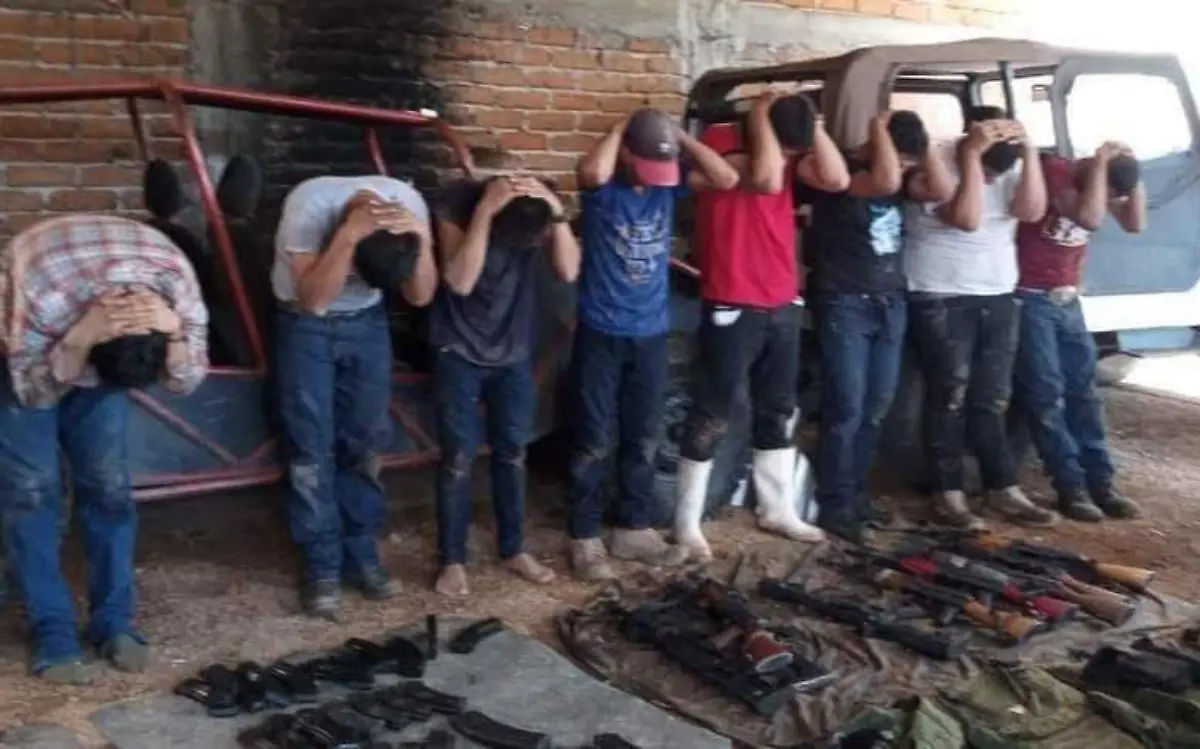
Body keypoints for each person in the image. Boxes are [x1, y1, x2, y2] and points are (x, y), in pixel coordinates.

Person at [0, 214, 209, 684]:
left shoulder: (175, 284)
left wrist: (175, 331)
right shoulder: (47, 297)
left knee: (109, 487)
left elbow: (188, 378)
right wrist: (78, 339)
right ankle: (53, 632)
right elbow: (34, 392)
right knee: (31, 491)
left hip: (105, 320)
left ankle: (114, 623)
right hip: (31, 352)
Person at [673, 91, 852, 563]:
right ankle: (687, 522)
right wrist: (758, 117)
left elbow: (836, 179)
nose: (791, 156)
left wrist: (814, 127)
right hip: (732, 294)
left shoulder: (786, 148)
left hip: (781, 296)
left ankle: (777, 509)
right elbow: (768, 179)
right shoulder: (721, 138)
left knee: (777, 407)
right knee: (713, 409)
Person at [567, 108, 738, 581]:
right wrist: (619, 129)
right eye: (647, 164)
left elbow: (725, 178)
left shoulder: (667, 186)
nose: (655, 177)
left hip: (651, 332)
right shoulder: (604, 191)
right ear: (626, 155)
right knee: (594, 437)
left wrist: (678, 137)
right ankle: (584, 536)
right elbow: (590, 171)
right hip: (601, 331)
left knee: (643, 434)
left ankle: (633, 527)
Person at [272, 175, 437, 619]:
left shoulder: (409, 205)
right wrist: (347, 238)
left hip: (367, 325)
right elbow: (313, 302)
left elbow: (421, 295)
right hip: (305, 324)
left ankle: (362, 554)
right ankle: (322, 566)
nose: (355, 279)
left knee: (365, 443)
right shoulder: (307, 208)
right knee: (310, 450)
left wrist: (422, 238)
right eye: (356, 273)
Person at [904, 106, 1059, 531]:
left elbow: (1031, 211)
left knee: (992, 398)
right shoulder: (936, 160)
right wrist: (972, 157)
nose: (992, 180)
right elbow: (966, 218)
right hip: (942, 291)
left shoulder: (1010, 161)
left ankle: (1002, 487)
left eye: (996, 171)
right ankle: (948, 493)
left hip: (998, 290)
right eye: (988, 170)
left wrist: (1029, 151)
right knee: (949, 396)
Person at [805, 109, 955, 542]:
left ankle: (856, 497)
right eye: (901, 157)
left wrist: (925, 146)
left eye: (910, 161)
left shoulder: (901, 175)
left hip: (889, 301)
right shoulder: (844, 170)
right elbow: (885, 181)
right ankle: (835, 504)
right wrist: (876, 128)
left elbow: (941, 189)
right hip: (844, 300)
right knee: (846, 407)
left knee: (875, 408)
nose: (905, 168)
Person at [432, 174, 581, 597]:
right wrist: (485, 213)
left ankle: (513, 549)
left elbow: (569, 270)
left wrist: (557, 211)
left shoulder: (535, 215)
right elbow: (460, 280)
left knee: (513, 453)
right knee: (458, 458)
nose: (530, 244)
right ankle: (452, 560)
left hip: (513, 353)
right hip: (458, 350)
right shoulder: (458, 208)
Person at [1014, 142, 1146, 521]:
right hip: (1031, 297)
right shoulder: (1057, 173)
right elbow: (1089, 218)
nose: (1109, 200)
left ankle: (1101, 482)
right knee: (1046, 393)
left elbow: (1135, 224)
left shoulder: (1099, 183)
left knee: (1084, 394)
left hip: (1067, 299)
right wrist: (1103, 162)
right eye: (1109, 191)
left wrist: (1134, 177)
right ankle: (1070, 486)